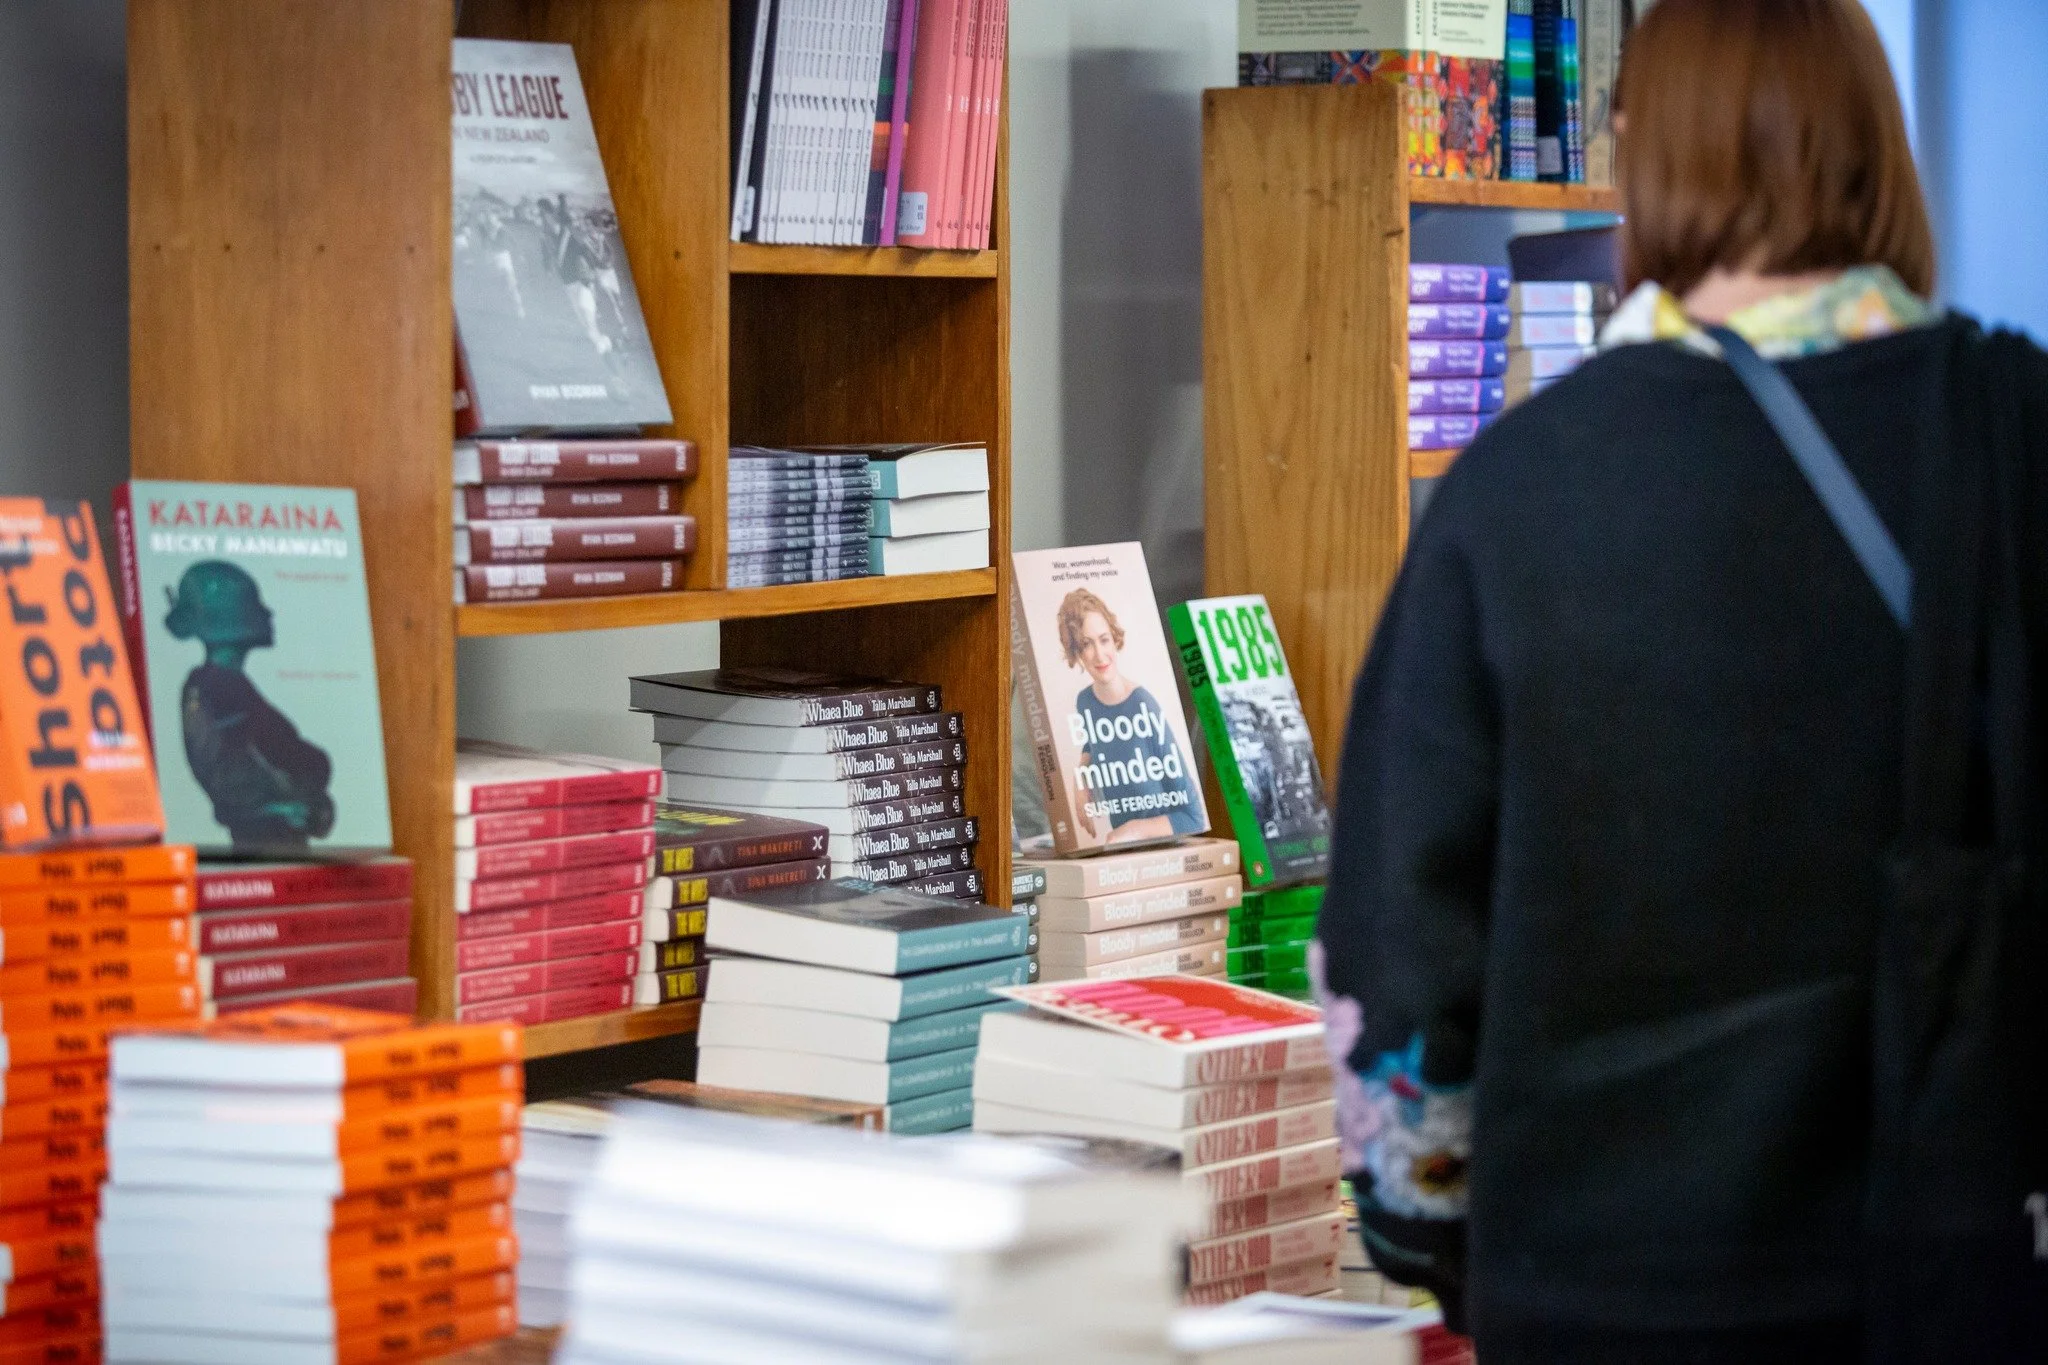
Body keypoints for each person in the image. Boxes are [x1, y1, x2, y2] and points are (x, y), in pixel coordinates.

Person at [1313, 0, 2048, 1360]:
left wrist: (1432, 1243)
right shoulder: (2014, 436)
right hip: (1954, 1270)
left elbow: (1402, 950)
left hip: (1599, 1287)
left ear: (1641, 151)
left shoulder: (1515, 495)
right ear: (1874, 150)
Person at [165, 561, 336, 851]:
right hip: (267, 838)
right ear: (231, 616)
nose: (267, 613)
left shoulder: (223, 686)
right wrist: (285, 805)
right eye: (254, 605)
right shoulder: (218, 689)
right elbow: (233, 775)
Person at [1056, 587, 1204, 843]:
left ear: (1115, 638)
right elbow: (1094, 740)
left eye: (1104, 640)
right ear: (1077, 654)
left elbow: (1193, 817)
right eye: (1086, 645)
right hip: (1126, 854)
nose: (1099, 655)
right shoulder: (1085, 701)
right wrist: (1080, 778)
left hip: (1163, 852)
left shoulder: (1142, 705)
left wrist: (1132, 830)